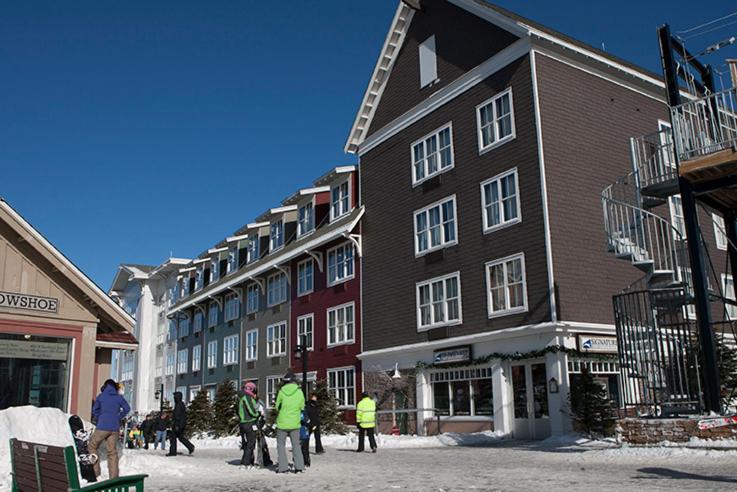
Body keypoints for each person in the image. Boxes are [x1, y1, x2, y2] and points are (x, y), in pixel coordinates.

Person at [89, 379, 130, 479]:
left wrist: (101, 417)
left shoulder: (101, 396)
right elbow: (127, 408)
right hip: (115, 428)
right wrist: (118, 417)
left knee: (92, 446)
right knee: (112, 452)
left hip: (102, 427)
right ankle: (114, 477)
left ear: (105, 386)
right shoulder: (119, 397)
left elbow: (94, 411)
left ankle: (96, 472)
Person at [274, 370, 305, 473]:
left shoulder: (281, 392)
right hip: (295, 422)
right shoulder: (299, 392)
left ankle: (283, 467)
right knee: (296, 445)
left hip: (282, 422)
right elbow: (302, 406)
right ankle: (299, 467)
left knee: (281, 445)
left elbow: (277, 406)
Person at [238, 382, 260, 468]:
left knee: (248, 443)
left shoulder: (241, 397)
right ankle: (245, 462)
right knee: (251, 443)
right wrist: (257, 414)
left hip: (243, 422)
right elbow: (251, 409)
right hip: (249, 422)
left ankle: (250, 461)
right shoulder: (246, 397)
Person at [167, 391, 195, 456]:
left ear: (177, 397)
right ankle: (190, 447)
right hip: (181, 425)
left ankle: (172, 452)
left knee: (173, 437)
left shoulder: (178, 405)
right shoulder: (181, 404)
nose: (173, 398)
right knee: (181, 437)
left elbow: (177, 416)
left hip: (178, 425)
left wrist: (176, 424)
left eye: (174, 397)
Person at [254, 388, 273, 468]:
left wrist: (261, 424)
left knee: (261, 443)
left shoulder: (259, 403)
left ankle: (262, 461)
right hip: (257, 424)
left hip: (258, 424)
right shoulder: (255, 402)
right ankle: (266, 460)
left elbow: (262, 415)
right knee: (261, 443)